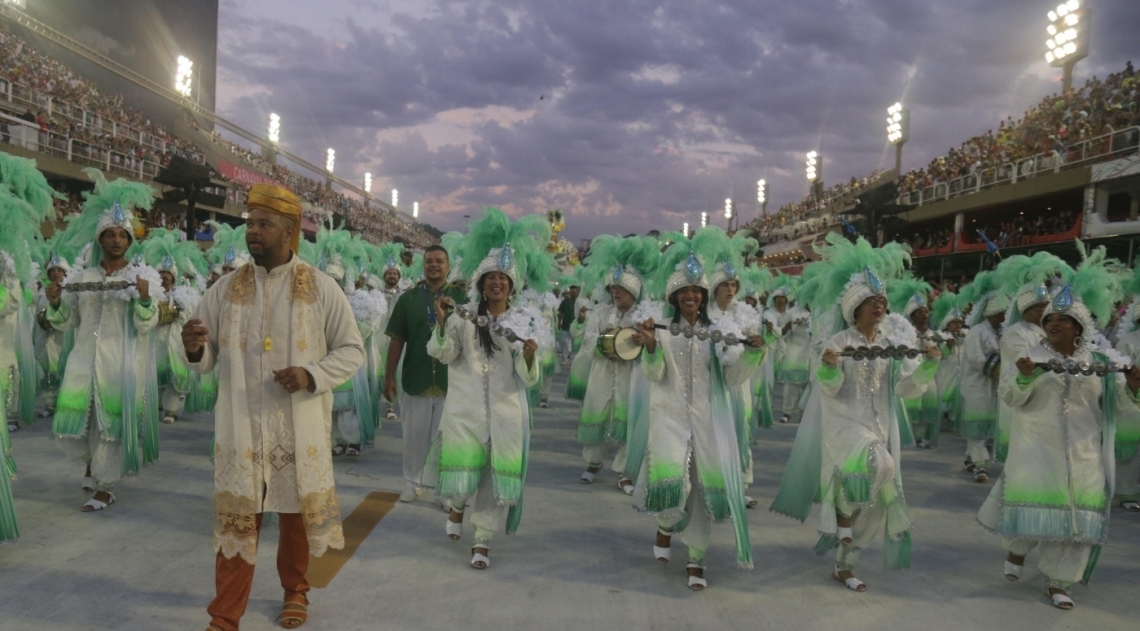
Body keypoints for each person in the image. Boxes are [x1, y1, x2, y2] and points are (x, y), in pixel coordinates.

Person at [181, 183, 365, 631]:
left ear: (289, 232)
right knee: (237, 522)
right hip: (241, 427)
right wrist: (191, 348)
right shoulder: (225, 289)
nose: (252, 232)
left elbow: (351, 350)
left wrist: (310, 375)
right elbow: (204, 358)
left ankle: (295, 592)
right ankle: (225, 614)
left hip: (297, 425)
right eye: (250, 224)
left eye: (263, 224)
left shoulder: (321, 288)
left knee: (295, 517)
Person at [770, 235, 938, 593]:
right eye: (870, 301)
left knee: (877, 500)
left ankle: (845, 563)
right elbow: (828, 387)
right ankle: (842, 510)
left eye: (882, 301)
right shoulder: (839, 343)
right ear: (854, 308)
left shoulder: (890, 345)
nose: (878, 306)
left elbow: (904, 388)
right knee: (882, 466)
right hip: (844, 422)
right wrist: (829, 368)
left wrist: (928, 367)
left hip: (879, 424)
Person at [981, 278, 1140, 610]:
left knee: (1075, 520)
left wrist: (1132, 388)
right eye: (1049, 319)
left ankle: (1059, 582)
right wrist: (1025, 376)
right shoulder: (1029, 356)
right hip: (1037, 448)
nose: (1053, 323)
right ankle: (1017, 550)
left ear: (1078, 326)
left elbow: (1118, 406)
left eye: (1062, 319)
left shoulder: (1099, 360)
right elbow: (1009, 395)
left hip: (1084, 453)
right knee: (1033, 513)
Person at [631, 228, 767, 590]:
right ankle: (664, 526)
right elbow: (654, 372)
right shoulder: (660, 329)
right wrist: (648, 346)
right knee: (673, 486)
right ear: (674, 295)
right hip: (669, 415)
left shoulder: (722, 330)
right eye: (684, 291)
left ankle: (695, 558)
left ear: (704, 295)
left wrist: (753, 352)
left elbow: (734, 376)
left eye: (696, 291)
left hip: (708, 418)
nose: (690, 295)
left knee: (703, 490)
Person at [423, 209, 550, 569]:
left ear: (512, 286)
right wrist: (444, 324)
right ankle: (457, 507)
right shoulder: (464, 316)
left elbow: (529, 379)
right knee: (463, 478)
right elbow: (443, 354)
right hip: (464, 411)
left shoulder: (526, 321)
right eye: (491, 277)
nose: (497, 283)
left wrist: (528, 357)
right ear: (481, 283)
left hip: (508, 414)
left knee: (496, 478)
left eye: (503, 279)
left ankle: (482, 540)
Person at [47, 169, 164, 512]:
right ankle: (92, 465)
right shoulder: (82, 278)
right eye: (110, 235)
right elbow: (67, 320)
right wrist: (55, 301)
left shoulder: (140, 277)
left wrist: (144, 299)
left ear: (130, 241)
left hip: (119, 363)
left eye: (122, 235)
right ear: (100, 241)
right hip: (83, 359)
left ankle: (106, 486)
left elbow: (148, 323)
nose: (116, 240)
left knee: (109, 426)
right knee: (77, 425)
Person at [569, 235, 658, 493]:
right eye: (613, 289)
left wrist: (644, 339)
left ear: (634, 292)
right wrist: (608, 344)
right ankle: (594, 463)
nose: (617, 293)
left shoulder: (645, 316)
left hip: (632, 377)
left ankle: (623, 471)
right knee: (597, 415)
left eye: (622, 289)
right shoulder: (600, 313)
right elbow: (588, 341)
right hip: (602, 373)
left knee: (627, 422)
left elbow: (656, 343)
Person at [384, 244, 466, 503]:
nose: (434, 265)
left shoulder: (462, 299)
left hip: (452, 379)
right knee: (414, 435)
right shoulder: (408, 299)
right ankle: (412, 482)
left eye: (439, 261)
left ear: (448, 265)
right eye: (429, 261)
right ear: (423, 265)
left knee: (445, 438)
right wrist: (388, 376)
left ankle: (444, 490)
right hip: (415, 377)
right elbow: (397, 340)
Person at [959, 273, 1007, 480]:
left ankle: (971, 458)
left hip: (993, 387)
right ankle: (980, 465)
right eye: (1003, 312)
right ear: (993, 313)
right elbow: (977, 359)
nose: (1006, 316)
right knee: (977, 425)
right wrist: (999, 370)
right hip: (976, 385)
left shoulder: (1001, 333)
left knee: (985, 426)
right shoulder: (977, 331)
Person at [557, 284, 579, 365]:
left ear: (577, 292)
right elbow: (560, 313)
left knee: (575, 343)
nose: (572, 293)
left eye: (574, 292)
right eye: (571, 292)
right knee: (564, 342)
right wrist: (559, 323)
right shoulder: (565, 301)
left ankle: (574, 359)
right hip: (566, 325)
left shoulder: (580, 301)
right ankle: (564, 359)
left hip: (576, 326)